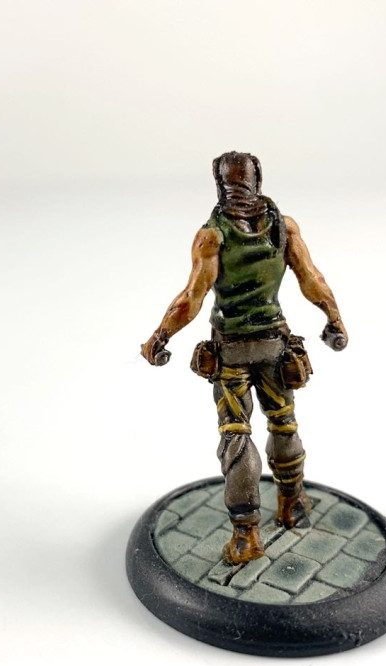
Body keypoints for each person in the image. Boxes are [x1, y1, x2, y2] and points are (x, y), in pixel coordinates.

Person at [142, 152, 348, 564]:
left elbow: (191, 298)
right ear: (258, 180)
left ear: (220, 185)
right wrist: (335, 319)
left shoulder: (212, 236)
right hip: (275, 347)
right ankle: (292, 504)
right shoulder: (284, 228)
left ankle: (246, 535)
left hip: (232, 352)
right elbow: (313, 279)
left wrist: (159, 337)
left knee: (236, 435)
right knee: (284, 423)